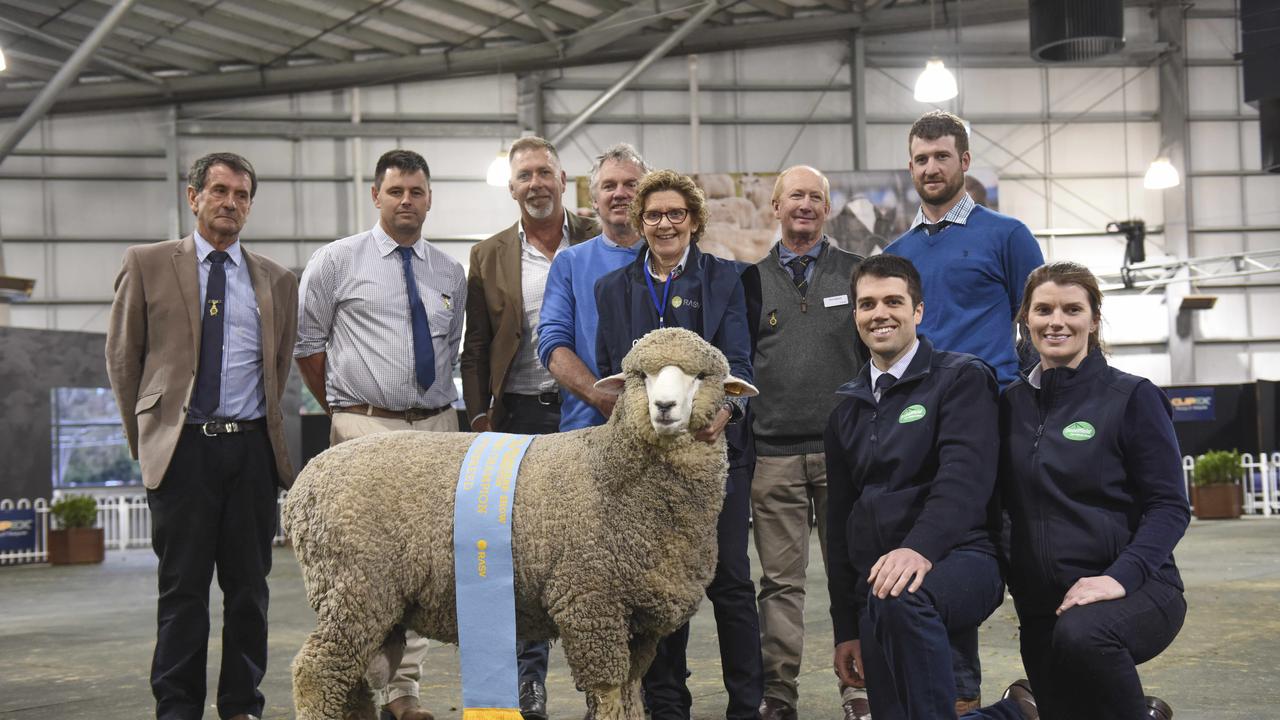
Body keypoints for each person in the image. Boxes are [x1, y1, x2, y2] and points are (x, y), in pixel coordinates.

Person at [106, 152, 298, 720]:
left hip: (250, 452)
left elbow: (280, 365)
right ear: (193, 198)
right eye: (219, 191)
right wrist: (149, 444)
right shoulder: (147, 264)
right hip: (183, 449)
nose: (230, 203)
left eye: (241, 195)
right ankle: (178, 707)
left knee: (249, 592)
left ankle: (242, 704)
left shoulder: (277, 280)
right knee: (183, 592)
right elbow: (123, 360)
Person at [963, 262, 1188, 720]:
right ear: (1025, 318)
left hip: (1136, 590)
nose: (1057, 321)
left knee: (1084, 633)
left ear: (1093, 320)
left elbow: (1169, 507)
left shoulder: (1132, 397)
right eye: (1044, 309)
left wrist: (1117, 578)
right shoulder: (1010, 406)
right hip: (1043, 607)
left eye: (1072, 309)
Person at [294, 148, 466, 720]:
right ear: (376, 196)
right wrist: (343, 410)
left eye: (416, 192)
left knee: (426, 567)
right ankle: (350, 686)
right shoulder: (334, 262)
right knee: (364, 569)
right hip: (364, 428)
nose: (407, 202)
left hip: (437, 428)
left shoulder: (450, 273)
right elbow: (307, 347)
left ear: (429, 198)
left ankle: (403, 692)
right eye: (396, 192)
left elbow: (448, 350)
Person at [883, 110, 1044, 710]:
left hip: (997, 419)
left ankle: (1053, 684)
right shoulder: (896, 253)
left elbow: (1041, 321)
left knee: (1025, 554)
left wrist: (1032, 407)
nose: (930, 167)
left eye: (941, 157)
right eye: (921, 159)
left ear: (964, 162)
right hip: (922, 429)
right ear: (911, 167)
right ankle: (960, 698)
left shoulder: (1007, 235)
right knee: (940, 554)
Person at [594, 169, 764, 720]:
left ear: (694, 219)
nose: (664, 224)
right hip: (647, 463)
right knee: (659, 584)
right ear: (639, 222)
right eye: (653, 215)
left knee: (732, 579)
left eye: (675, 214)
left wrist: (727, 409)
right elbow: (609, 367)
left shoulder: (726, 280)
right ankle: (667, 704)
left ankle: (746, 703)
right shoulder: (613, 289)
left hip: (712, 454)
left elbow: (738, 357)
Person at [825, 254, 1003, 720]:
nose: (879, 313)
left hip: (959, 557)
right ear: (856, 316)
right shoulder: (844, 409)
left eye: (892, 301)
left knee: (904, 596)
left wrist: (918, 548)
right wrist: (846, 627)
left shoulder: (961, 378)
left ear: (918, 311)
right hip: (878, 583)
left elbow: (965, 480)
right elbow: (839, 523)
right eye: (866, 304)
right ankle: (1015, 714)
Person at [458, 135, 598, 719]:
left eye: (545, 173)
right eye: (525, 176)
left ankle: (601, 685)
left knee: (595, 550)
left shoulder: (602, 236)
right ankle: (527, 683)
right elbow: (476, 348)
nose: (536, 184)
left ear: (564, 181)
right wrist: (480, 418)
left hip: (589, 412)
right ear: (511, 187)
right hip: (516, 415)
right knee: (519, 556)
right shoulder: (487, 255)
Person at [742, 166, 870, 720]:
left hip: (846, 456)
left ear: (827, 209)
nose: (806, 205)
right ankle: (779, 694)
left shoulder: (858, 273)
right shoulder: (749, 283)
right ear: (775, 206)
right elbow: (739, 366)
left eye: (817, 197)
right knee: (779, 585)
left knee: (856, 573)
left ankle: (860, 689)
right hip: (772, 457)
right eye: (796, 195)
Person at [537, 143, 649, 431]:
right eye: (609, 185)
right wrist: (599, 397)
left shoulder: (669, 260)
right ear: (595, 199)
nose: (620, 193)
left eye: (631, 184)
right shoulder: (570, 263)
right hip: (586, 429)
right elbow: (552, 344)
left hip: (661, 427)